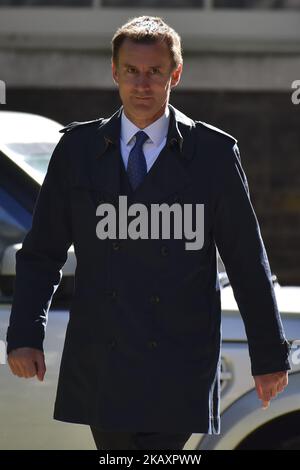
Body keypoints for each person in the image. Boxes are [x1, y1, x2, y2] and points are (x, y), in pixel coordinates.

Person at [6, 16, 290, 451]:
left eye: (155, 72)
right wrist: (26, 334)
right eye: (132, 71)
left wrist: (269, 357)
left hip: (178, 359)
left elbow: (247, 259)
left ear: (175, 74)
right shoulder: (78, 151)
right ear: (114, 72)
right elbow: (42, 252)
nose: (142, 84)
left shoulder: (212, 154)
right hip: (104, 356)